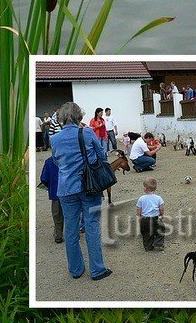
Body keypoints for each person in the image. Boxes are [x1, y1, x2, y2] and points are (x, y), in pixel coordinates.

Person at [49, 102, 112, 281]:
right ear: (80, 117)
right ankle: (97, 270)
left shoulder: (54, 139)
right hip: (89, 187)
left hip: (66, 189)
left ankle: (76, 269)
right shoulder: (87, 132)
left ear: (60, 118)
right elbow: (102, 155)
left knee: (71, 229)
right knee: (91, 226)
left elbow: (56, 161)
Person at [38, 151, 64, 244]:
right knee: (71, 214)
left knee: (57, 214)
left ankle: (58, 235)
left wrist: (50, 186)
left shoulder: (49, 161)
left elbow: (44, 179)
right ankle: (72, 234)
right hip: (69, 191)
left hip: (55, 193)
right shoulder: (69, 158)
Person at [137, 177, 165, 251]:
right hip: (155, 218)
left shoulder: (141, 199)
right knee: (160, 230)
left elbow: (139, 209)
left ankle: (148, 247)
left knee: (146, 233)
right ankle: (158, 244)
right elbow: (161, 208)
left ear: (145, 188)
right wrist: (161, 215)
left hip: (145, 219)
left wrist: (139, 217)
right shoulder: (158, 198)